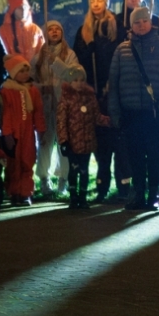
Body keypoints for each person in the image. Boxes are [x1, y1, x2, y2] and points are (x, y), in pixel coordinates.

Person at [107, 7, 159, 210]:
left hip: (156, 113)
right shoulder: (122, 49)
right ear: (131, 25)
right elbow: (113, 83)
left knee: (156, 155)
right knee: (135, 155)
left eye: (144, 21)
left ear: (151, 23)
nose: (141, 25)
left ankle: (154, 193)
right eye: (136, 22)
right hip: (131, 112)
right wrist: (114, 111)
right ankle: (138, 193)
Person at [72, 0, 123, 201]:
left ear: (106, 2)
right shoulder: (84, 30)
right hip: (92, 89)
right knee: (100, 141)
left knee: (117, 138)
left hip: (113, 88)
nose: (96, 4)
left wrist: (113, 82)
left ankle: (123, 186)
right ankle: (102, 184)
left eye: (100, 0)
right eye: (92, 0)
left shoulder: (115, 26)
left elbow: (119, 53)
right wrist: (89, 49)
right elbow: (78, 60)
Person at [33, 21, 78, 199]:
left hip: (63, 104)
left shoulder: (70, 54)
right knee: (45, 141)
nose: (53, 32)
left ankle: (63, 179)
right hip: (45, 105)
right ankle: (44, 178)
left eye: (57, 29)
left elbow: (73, 75)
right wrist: (42, 87)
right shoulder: (39, 56)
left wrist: (56, 63)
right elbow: (30, 78)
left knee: (64, 142)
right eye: (50, 29)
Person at [0, 54, 45, 206]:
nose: (26, 74)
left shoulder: (32, 91)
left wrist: (41, 129)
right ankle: (14, 192)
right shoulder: (6, 92)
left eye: (27, 71)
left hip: (28, 134)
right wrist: (6, 133)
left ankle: (25, 192)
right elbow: (5, 114)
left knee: (27, 160)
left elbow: (38, 112)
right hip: (13, 133)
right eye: (21, 71)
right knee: (13, 163)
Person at [54, 60, 98, 209]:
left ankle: (83, 198)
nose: (79, 83)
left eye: (81, 80)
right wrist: (63, 140)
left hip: (86, 141)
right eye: (75, 80)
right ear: (69, 81)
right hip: (72, 143)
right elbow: (61, 121)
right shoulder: (66, 99)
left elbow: (96, 116)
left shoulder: (90, 98)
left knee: (84, 170)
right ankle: (73, 198)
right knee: (73, 170)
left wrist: (109, 121)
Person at [0, 0, 43, 64]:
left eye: (25, 7)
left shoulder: (36, 30)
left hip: (34, 72)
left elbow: (42, 52)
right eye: (20, 7)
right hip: (13, 72)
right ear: (13, 10)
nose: (23, 10)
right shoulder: (3, 30)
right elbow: (2, 54)